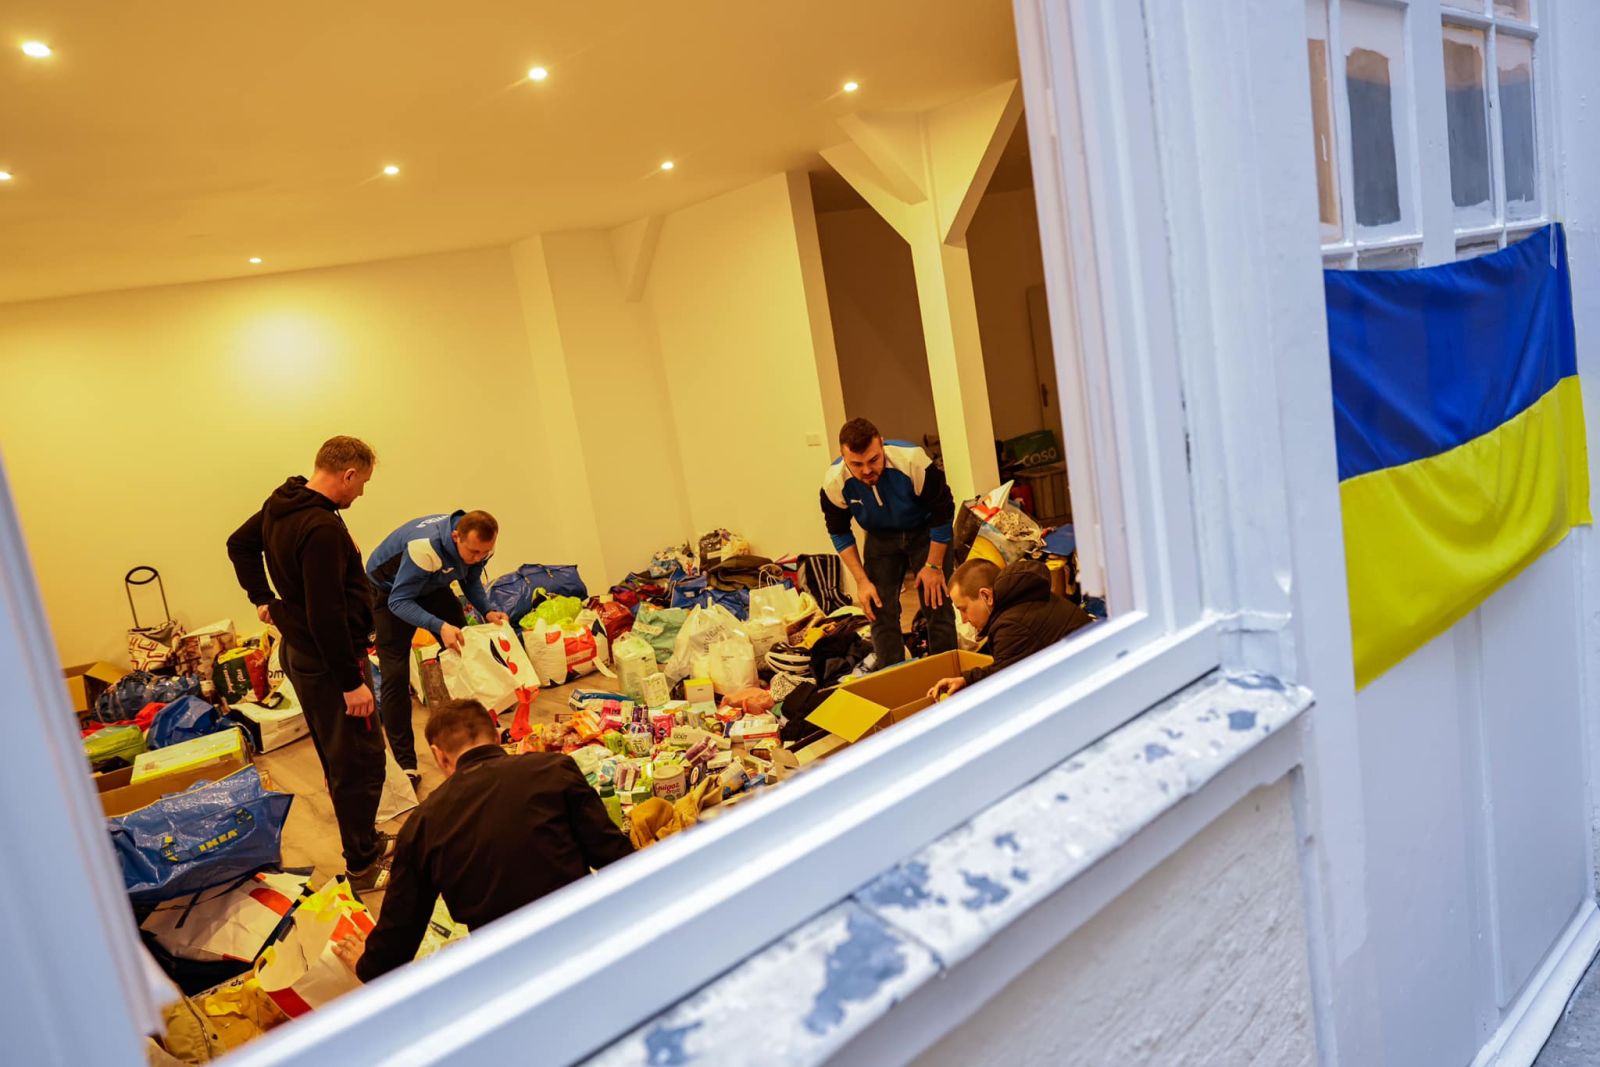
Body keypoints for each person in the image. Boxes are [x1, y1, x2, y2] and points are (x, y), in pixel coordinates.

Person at [333, 698, 634, 982]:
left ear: (439, 755)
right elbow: (617, 858)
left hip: (507, 973)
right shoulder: (553, 769)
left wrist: (367, 964)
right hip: (587, 944)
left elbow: (399, 934)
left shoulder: (423, 823)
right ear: (498, 736)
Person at [226, 436, 391, 891]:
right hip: (327, 660)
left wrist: (264, 599)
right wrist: (350, 682)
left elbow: (237, 544)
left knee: (341, 758)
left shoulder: (283, 503)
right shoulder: (319, 528)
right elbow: (326, 614)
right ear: (348, 475)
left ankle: (367, 840)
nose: (361, 494)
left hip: (302, 653)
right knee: (360, 762)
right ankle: (362, 864)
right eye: (362, 484)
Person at [365, 510, 507, 785]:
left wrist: (487, 610)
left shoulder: (479, 544)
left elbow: (471, 580)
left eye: (484, 553)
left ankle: (483, 736)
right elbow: (399, 602)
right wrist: (439, 626)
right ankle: (406, 764)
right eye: (474, 552)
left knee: (464, 650)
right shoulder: (425, 548)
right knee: (395, 676)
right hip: (390, 593)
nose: (480, 557)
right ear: (456, 537)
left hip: (432, 586)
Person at [819, 418, 956, 668]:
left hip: (925, 530)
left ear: (882, 445)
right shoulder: (834, 482)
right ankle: (893, 678)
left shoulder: (912, 461)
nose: (867, 470)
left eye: (873, 460)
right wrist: (861, 582)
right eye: (856, 464)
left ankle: (947, 676)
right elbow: (839, 532)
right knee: (878, 610)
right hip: (880, 537)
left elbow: (943, 511)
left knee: (936, 603)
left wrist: (934, 567)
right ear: (843, 457)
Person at [927, 558, 1094, 700]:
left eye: (964, 609)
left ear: (986, 596)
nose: (964, 620)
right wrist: (966, 680)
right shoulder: (1022, 600)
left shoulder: (1011, 626)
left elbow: (1003, 684)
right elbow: (1006, 667)